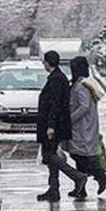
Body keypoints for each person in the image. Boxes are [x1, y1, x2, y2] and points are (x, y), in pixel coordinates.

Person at [36, 51, 87, 202]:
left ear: (48, 63)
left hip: (54, 125)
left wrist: (51, 126)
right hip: (54, 123)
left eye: (44, 62)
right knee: (51, 154)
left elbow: (55, 104)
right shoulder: (57, 77)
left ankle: (77, 176)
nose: (43, 65)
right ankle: (53, 189)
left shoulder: (57, 79)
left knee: (48, 155)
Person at [68, 56, 106, 197]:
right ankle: (82, 189)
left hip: (82, 127)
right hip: (85, 126)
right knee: (80, 156)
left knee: (79, 156)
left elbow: (84, 106)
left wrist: (71, 119)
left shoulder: (81, 85)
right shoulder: (87, 83)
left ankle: (100, 176)